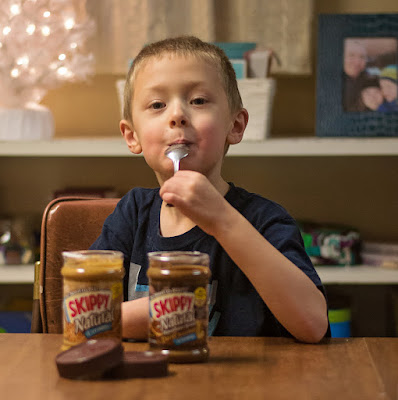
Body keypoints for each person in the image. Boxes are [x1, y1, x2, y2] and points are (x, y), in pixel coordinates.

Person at [90, 36, 329, 343]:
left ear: (236, 125)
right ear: (132, 136)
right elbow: (86, 319)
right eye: (157, 105)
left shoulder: (264, 219)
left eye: (199, 101)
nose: (177, 115)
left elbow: (312, 325)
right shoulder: (132, 213)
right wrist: (172, 309)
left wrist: (223, 221)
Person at [342, 39, 370, 112]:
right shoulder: (331, 81)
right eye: (351, 55)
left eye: (362, 57)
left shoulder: (370, 80)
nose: (357, 62)